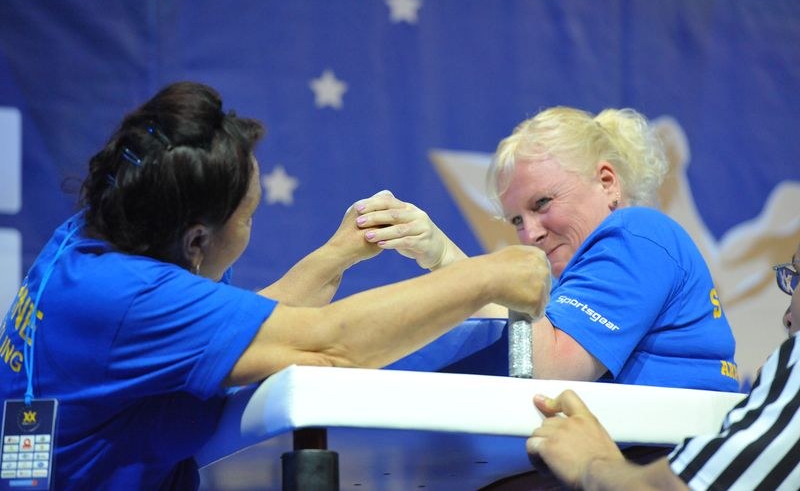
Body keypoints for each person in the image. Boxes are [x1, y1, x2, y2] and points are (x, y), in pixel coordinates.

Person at [0, 82, 551, 489]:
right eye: (247, 216)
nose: (250, 226)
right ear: (197, 239)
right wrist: (488, 273)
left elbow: (233, 332)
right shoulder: (126, 297)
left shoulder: (101, 234)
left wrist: (338, 254)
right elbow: (329, 345)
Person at [354, 107, 738, 391]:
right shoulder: (565, 290)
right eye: (516, 221)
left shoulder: (637, 233)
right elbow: (514, 334)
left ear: (607, 182)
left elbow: (551, 370)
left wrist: (452, 260)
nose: (530, 234)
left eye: (542, 204)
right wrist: (441, 258)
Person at [525, 242, 800, 490]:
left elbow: (682, 487)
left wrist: (590, 462)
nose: (786, 317)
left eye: (798, 277)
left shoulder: (642, 237)